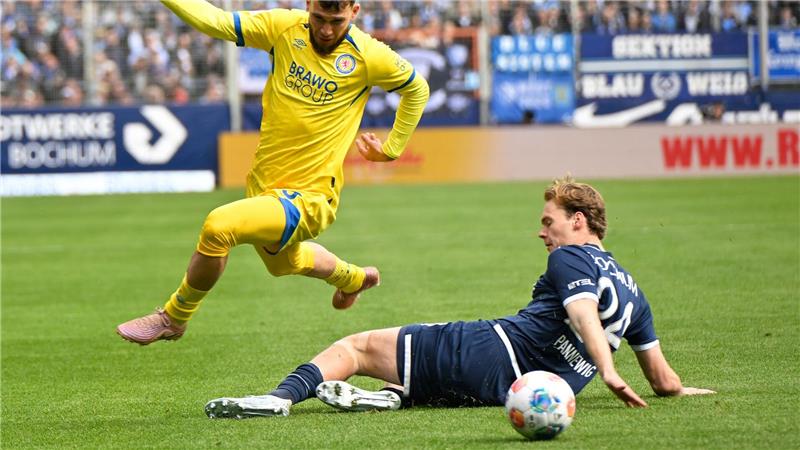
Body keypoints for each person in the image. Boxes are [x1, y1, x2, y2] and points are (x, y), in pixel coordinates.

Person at [202, 176, 716, 419]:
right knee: (419, 375)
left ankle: (276, 400)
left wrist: (607, 370)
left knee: (355, 347)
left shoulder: (569, 258)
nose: (543, 233)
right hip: (527, 390)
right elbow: (665, 382)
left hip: (493, 351)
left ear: (578, 222)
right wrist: (688, 392)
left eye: (549, 221)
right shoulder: (634, 291)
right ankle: (390, 397)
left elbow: (582, 312)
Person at [116, 0, 430, 345]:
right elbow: (216, 21)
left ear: (354, 12)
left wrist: (391, 149)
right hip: (265, 184)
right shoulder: (283, 28)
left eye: (336, 21)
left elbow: (417, 89)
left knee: (219, 227)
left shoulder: (369, 55)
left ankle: (174, 317)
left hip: (310, 198)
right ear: (308, 5)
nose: (326, 30)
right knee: (284, 263)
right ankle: (353, 278)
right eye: (319, 18)